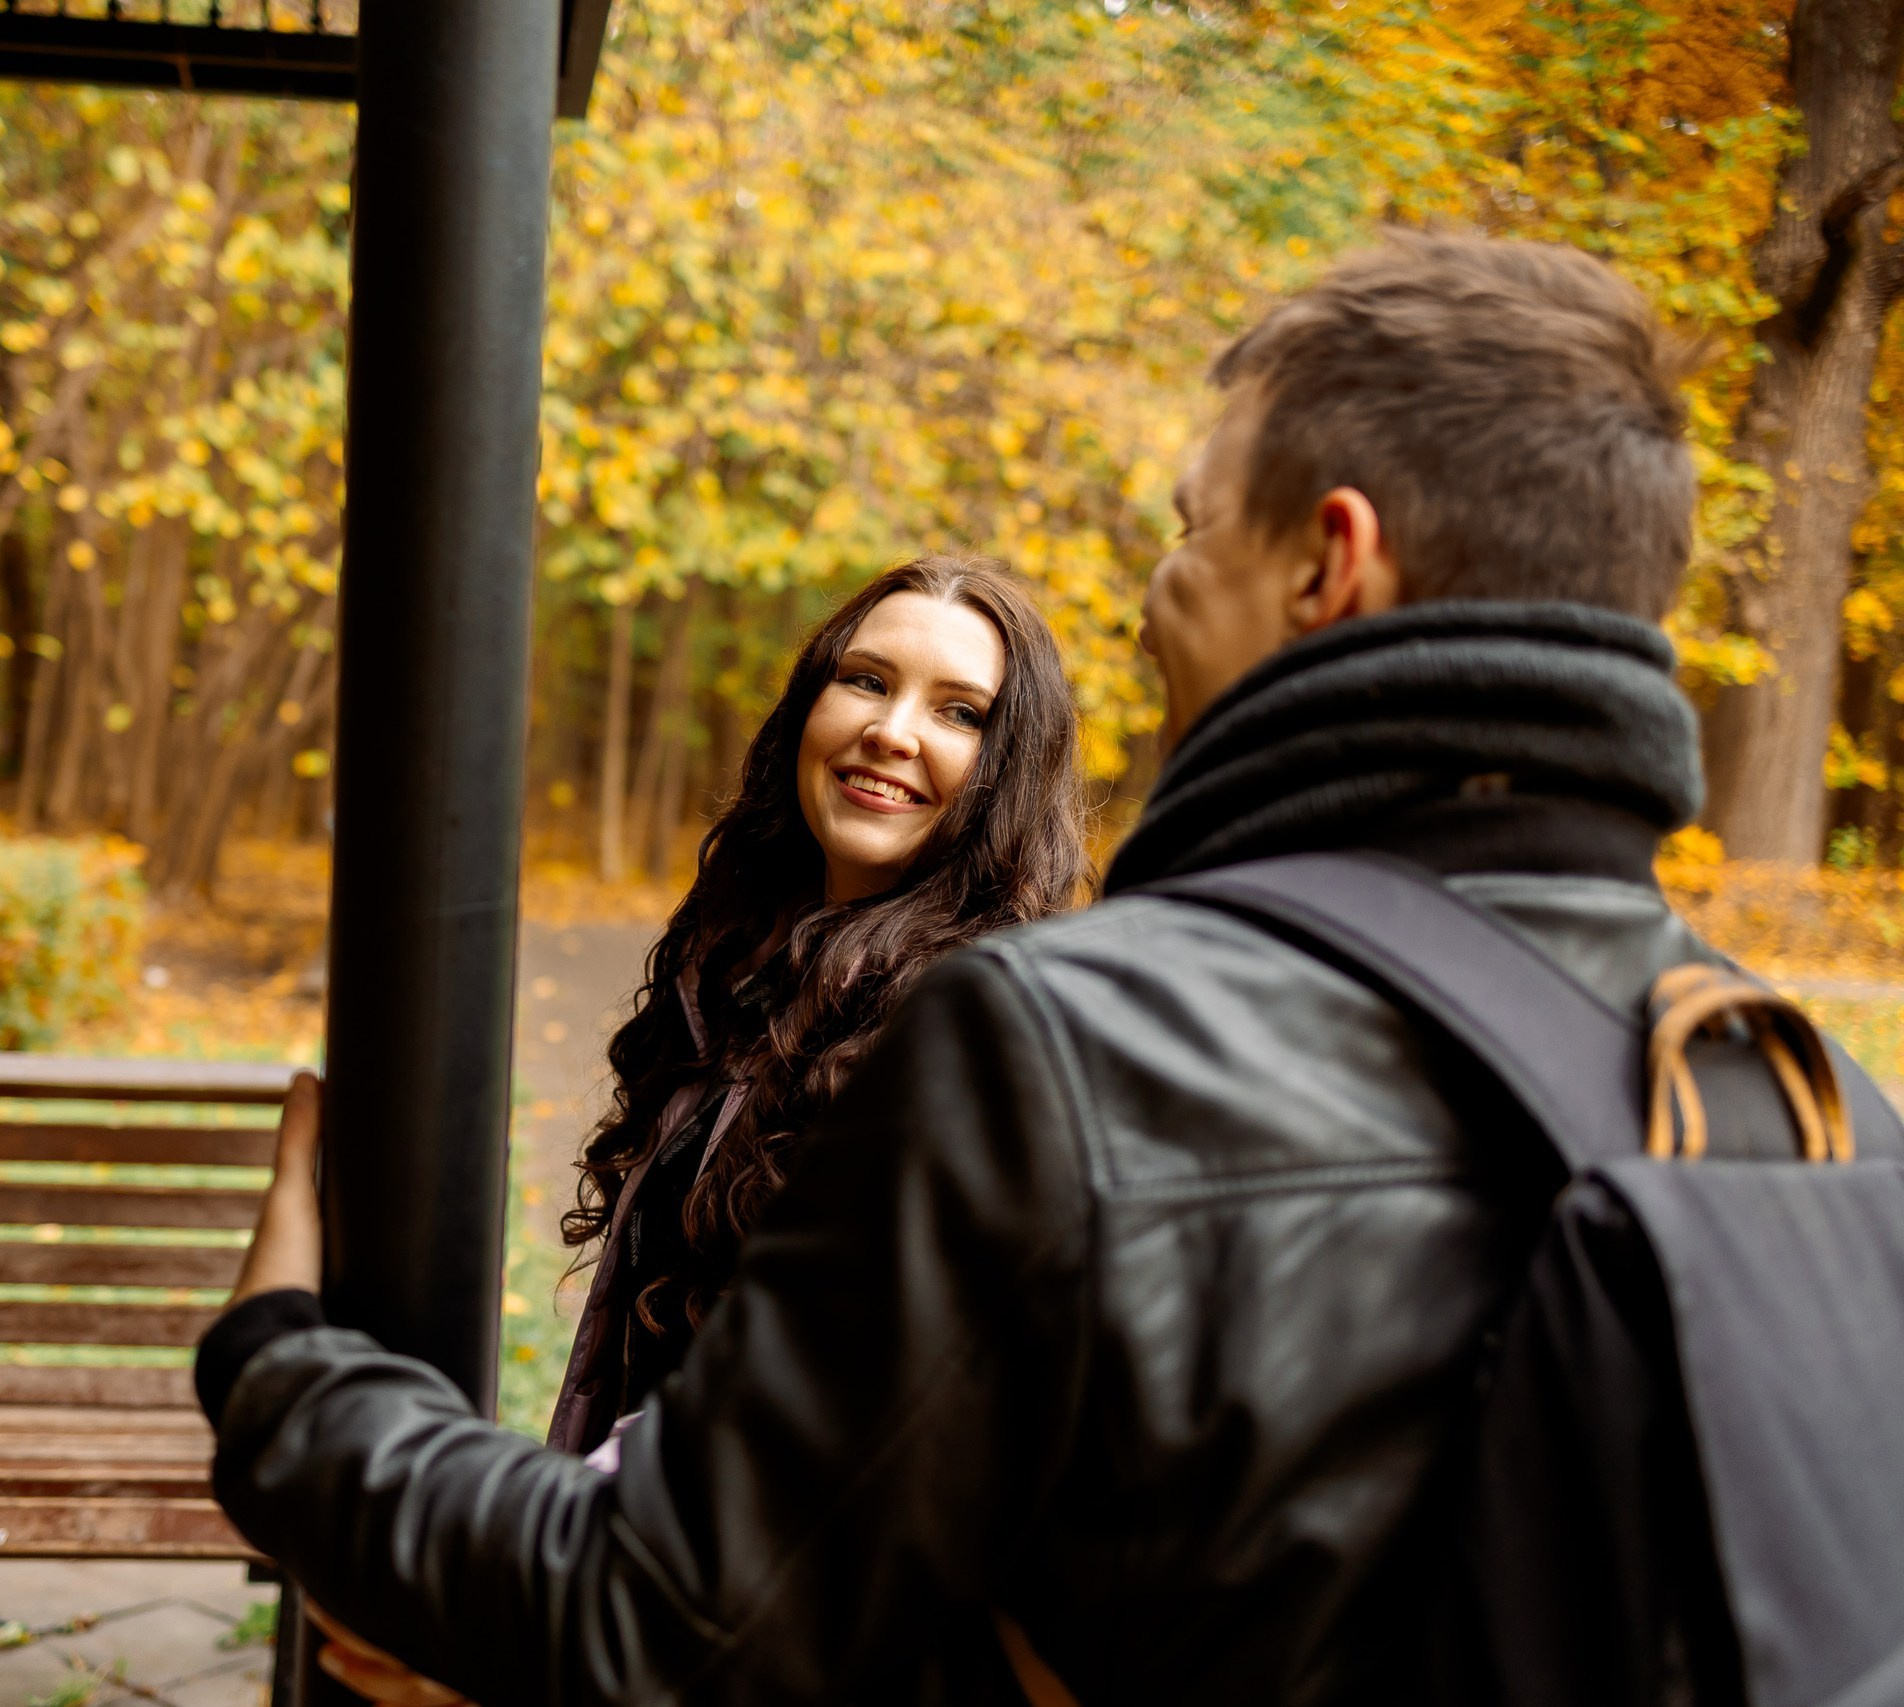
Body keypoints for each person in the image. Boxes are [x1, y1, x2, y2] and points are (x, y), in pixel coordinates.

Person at [198, 232, 1726, 1705]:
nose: (1158, 598)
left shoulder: (1085, 1051)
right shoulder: (1776, 1090)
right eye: (863, 679)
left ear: (1331, 559)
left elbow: (651, 1606)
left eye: (1192, 526)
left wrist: (280, 1362)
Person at [550, 554, 1091, 1462]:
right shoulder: (735, 978)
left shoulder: (969, 1042)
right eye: (866, 680)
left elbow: (807, 1432)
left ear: (1009, 772)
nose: (891, 731)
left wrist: (538, 1519)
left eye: (960, 712)